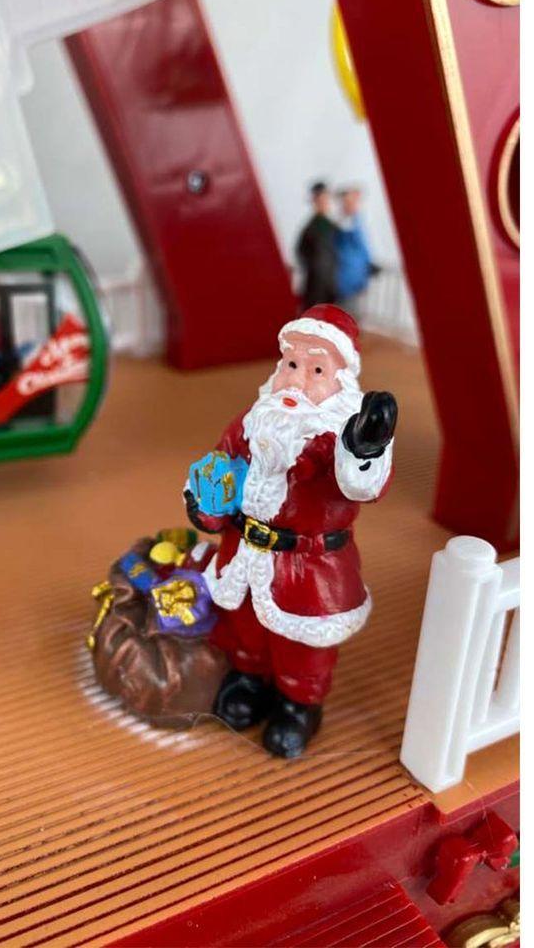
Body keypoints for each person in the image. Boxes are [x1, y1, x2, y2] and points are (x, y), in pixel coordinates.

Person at [184, 305, 398, 758]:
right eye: (291, 364)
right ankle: (248, 679)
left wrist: (364, 448)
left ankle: (298, 704)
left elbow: (359, 484)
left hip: (307, 566)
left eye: (316, 370)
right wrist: (205, 505)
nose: (297, 380)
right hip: (244, 551)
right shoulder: (251, 423)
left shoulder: (337, 438)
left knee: (301, 645)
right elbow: (218, 467)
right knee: (244, 625)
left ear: (341, 381)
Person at [294, 182, 338, 308]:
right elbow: (300, 251)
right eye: (321, 199)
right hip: (316, 284)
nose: (325, 203)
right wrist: (314, 267)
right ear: (315, 201)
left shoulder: (331, 225)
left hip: (330, 283)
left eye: (326, 199)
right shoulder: (311, 227)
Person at [333, 187, 379, 303]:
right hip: (345, 282)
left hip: (355, 281)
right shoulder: (345, 224)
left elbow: (363, 249)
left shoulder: (356, 221)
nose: (355, 204)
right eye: (349, 201)